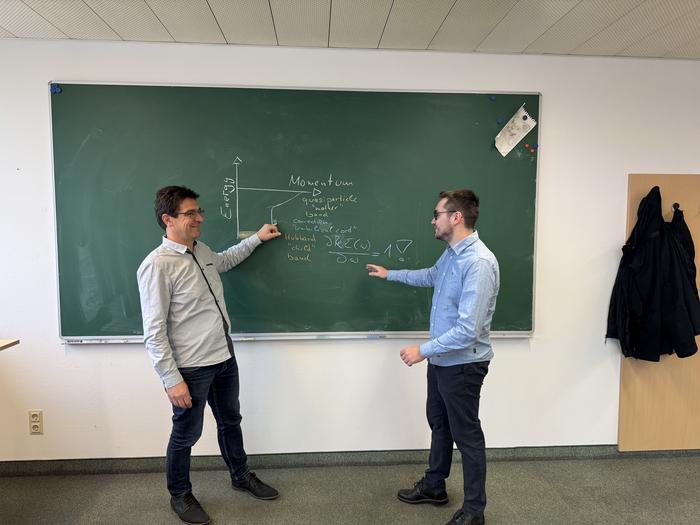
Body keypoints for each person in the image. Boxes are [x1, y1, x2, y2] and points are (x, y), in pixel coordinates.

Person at [137, 185, 282, 525]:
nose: (199, 217)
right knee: (186, 434)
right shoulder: (157, 266)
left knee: (231, 420)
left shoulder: (201, 251)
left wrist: (257, 238)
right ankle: (180, 494)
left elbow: (226, 260)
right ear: (167, 219)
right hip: (191, 368)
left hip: (223, 357)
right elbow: (153, 332)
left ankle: (240, 474)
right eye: (191, 213)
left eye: (199, 211)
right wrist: (172, 380)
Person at [366, 189, 499, 525]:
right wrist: (389, 274)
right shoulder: (452, 256)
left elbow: (469, 330)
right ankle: (434, 486)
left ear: (456, 217)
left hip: (463, 365)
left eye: (437, 214)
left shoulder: (479, 263)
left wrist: (422, 351)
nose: (432, 220)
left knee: (467, 436)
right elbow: (429, 276)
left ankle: (474, 511)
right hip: (442, 361)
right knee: (439, 425)